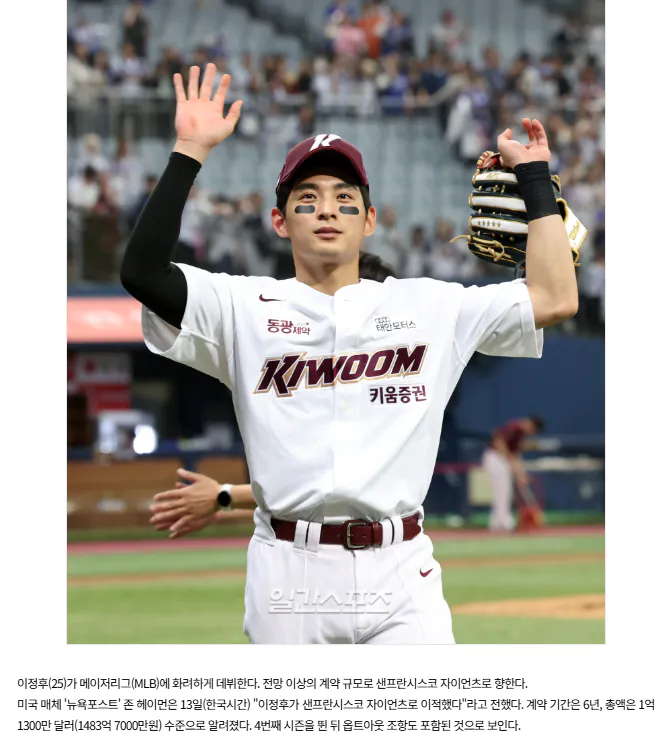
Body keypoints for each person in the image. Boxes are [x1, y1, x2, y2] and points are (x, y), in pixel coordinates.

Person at [120, 63, 578, 645]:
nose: (328, 209)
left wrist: (535, 179)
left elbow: (555, 298)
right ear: (279, 222)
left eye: (344, 197)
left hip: (401, 567)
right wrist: (189, 150)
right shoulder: (241, 307)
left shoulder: (431, 306)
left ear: (370, 220)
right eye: (307, 198)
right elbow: (142, 272)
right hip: (289, 570)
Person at [150, 251, 398, 538]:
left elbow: (328, 488)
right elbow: (305, 490)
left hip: (387, 548)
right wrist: (225, 498)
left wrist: (224, 496)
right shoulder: (290, 359)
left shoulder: (387, 387)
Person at [482, 415, 545, 532]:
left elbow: (516, 455)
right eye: (532, 430)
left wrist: (521, 474)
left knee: (504, 492)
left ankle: (496, 522)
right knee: (502, 491)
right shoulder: (515, 428)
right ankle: (504, 522)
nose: (531, 433)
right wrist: (509, 459)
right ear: (531, 425)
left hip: (502, 459)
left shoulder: (520, 434)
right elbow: (499, 441)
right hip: (496, 457)